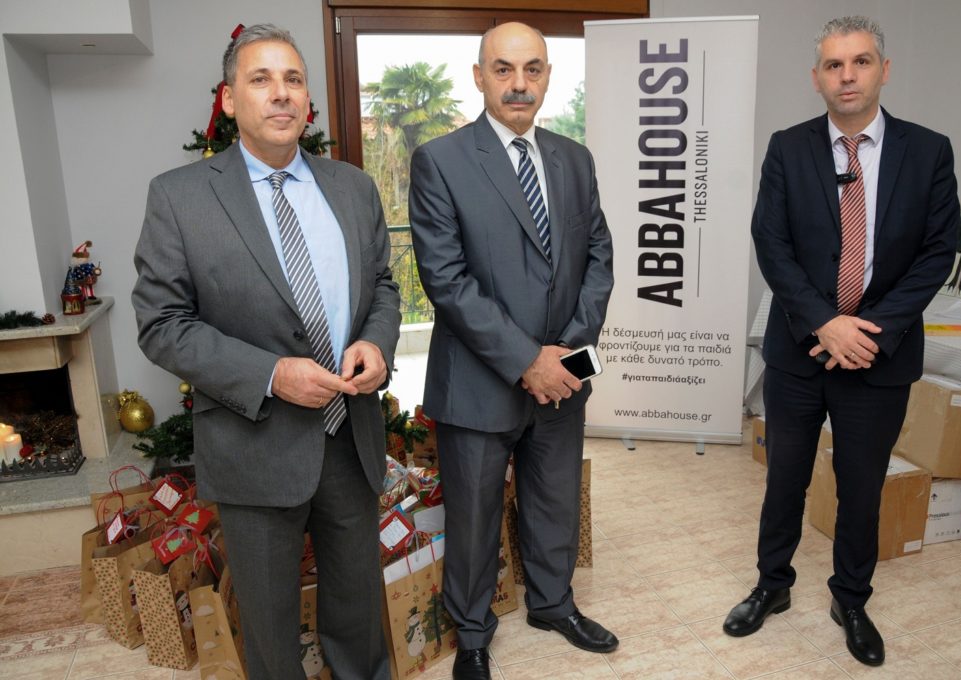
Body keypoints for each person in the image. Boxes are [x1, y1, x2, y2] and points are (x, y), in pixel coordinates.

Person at [132, 24, 400, 680]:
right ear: (229, 99)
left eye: (293, 80)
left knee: (359, 610)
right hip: (254, 448)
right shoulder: (179, 197)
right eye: (261, 79)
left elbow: (384, 288)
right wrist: (271, 374)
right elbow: (162, 324)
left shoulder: (353, 188)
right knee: (271, 630)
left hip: (350, 437)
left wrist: (376, 341)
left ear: (307, 99)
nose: (281, 94)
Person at [723, 16, 958, 666]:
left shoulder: (928, 151)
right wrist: (824, 322)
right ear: (817, 78)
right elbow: (770, 241)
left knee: (862, 487)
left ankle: (851, 599)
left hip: (878, 357)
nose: (847, 75)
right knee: (784, 480)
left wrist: (868, 333)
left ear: (884, 70)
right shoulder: (788, 147)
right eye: (834, 65)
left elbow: (937, 253)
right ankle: (772, 585)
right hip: (799, 350)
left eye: (860, 62)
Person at [408, 21, 616, 680]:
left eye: (532, 69)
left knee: (555, 501)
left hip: (561, 379)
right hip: (479, 382)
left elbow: (599, 256)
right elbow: (446, 279)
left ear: (548, 75)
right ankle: (473, 633)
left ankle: (553, 605)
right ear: (480, 76)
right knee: (473, 517)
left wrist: (567, 352)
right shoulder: (440, 160)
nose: (519, 83)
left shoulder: (574, 158)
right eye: (503, 69)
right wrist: (529, 361)